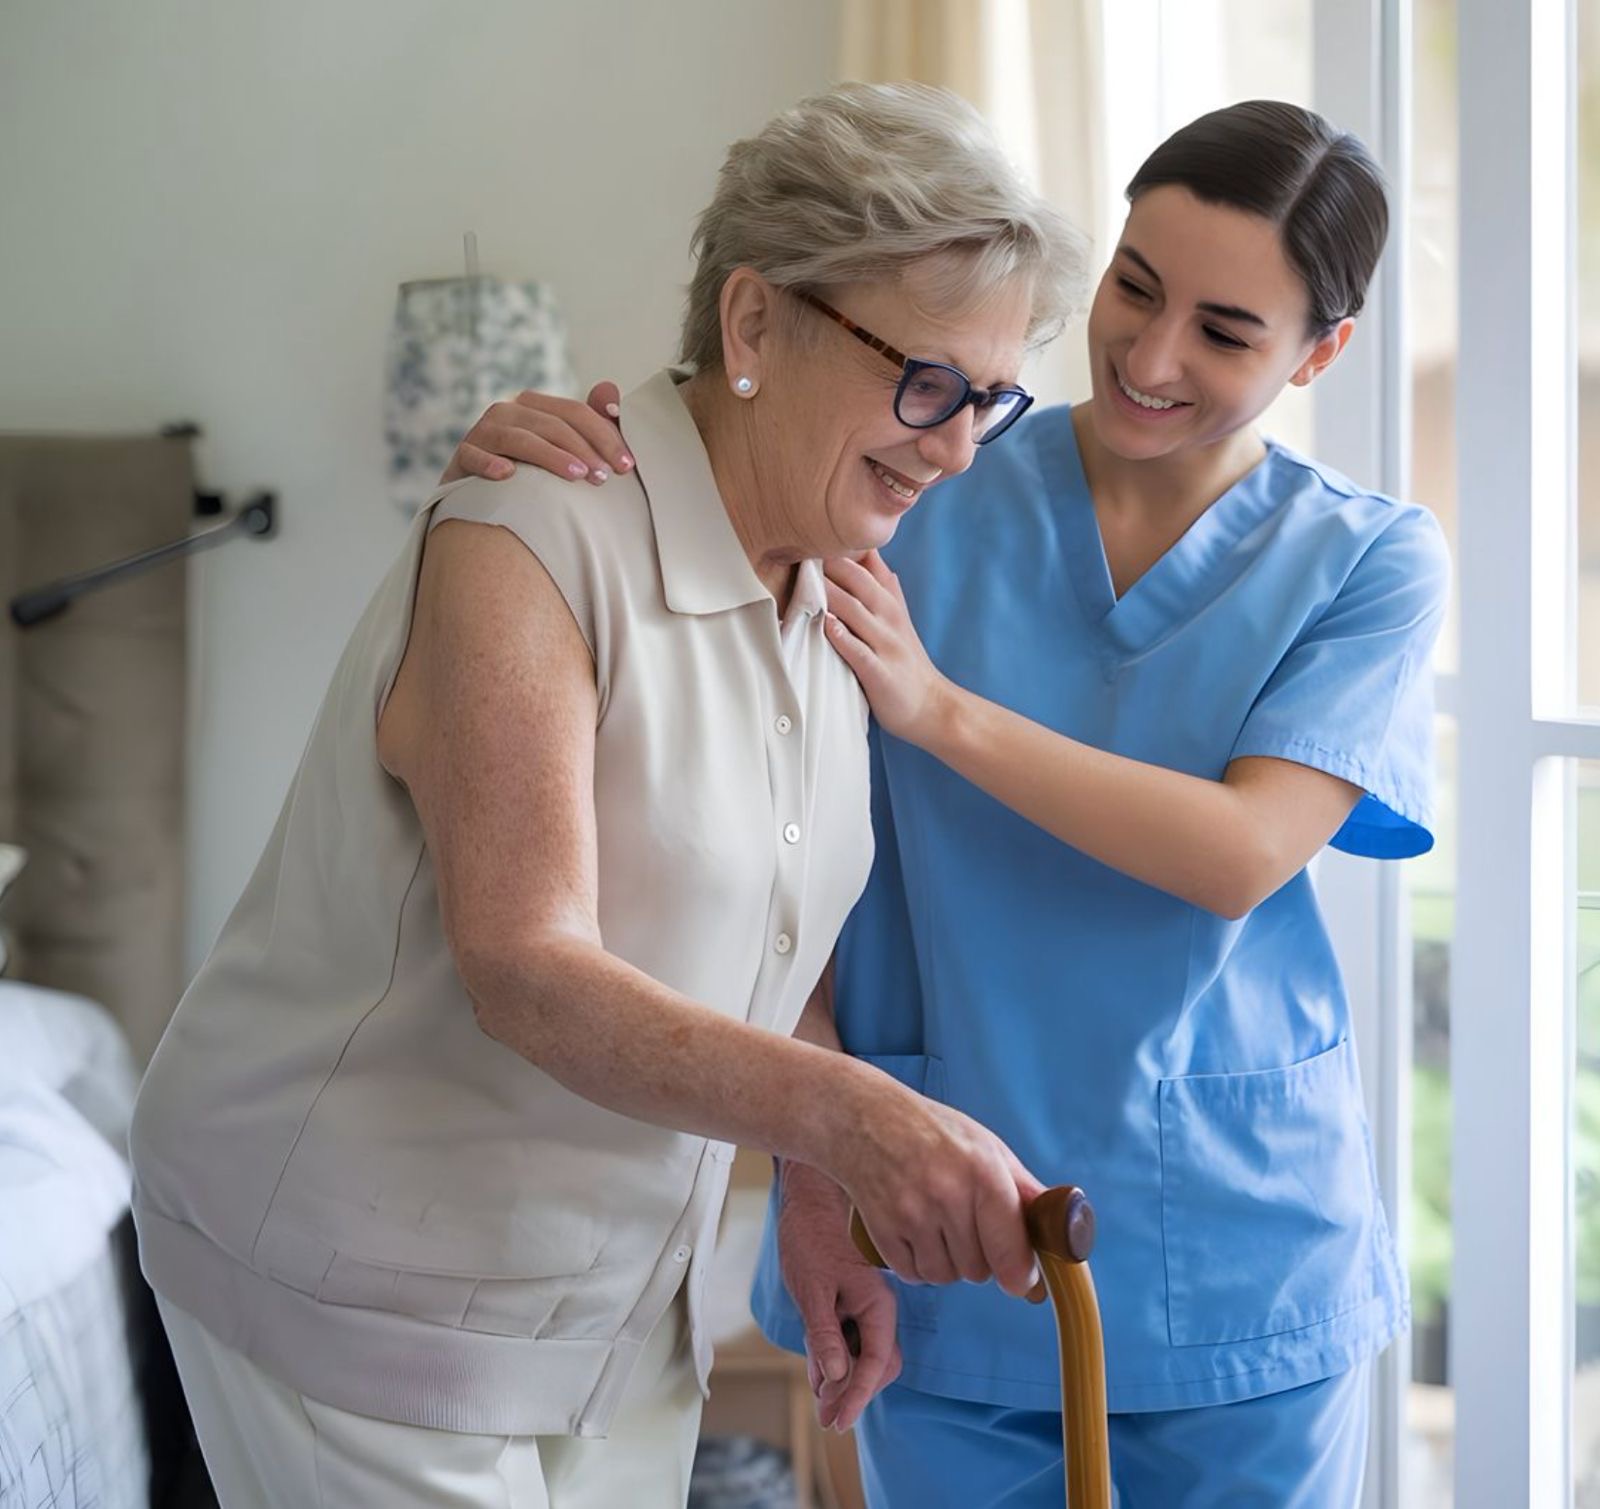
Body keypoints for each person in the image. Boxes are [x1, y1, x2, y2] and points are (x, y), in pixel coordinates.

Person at [447, 99, 1448, 1507]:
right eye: (1134, 289)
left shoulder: (1368, 561)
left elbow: (1240, 853)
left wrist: (939, 711)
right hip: (931, 1230)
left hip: (1239, 1255)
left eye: (1226, 334)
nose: (1151, 357)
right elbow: (779, 828)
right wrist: (555, 451)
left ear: (1320, 352)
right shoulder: (921, 467)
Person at [127, 82, 1090, 1509]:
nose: (954, 446)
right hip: (363, 1284)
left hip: (620, 1306)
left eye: (990, 402)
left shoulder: (834, 591)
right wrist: (855, 1120)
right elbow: (527, 963)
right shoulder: (534, 534)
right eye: (927, 383)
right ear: (753, 324)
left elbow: (764, 923)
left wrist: (815, 1190)